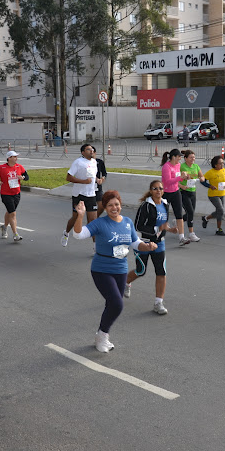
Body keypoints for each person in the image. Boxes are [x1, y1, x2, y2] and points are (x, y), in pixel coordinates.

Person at [71, 191, 159, 352]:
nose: (114, 208)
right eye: (110, 205)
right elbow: (78, 235)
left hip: (121, 269)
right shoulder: (100, 223)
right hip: (101, 269)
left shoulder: (127, 222)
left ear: (121, 205)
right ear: (105, 207)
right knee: (117, 304)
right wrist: (80, 215)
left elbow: (135, 242)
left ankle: (101, 335)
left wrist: (147, 247)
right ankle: (102, 336)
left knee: (111, 303)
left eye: (116, 204)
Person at [124, 180, 178, 315]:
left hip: (159, 242)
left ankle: (158, 303)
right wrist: (156, 229)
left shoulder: (165, 204)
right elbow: (138, 226)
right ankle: (125, 282)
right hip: (143, 242)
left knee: (161, 271)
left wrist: (169, 229)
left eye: (160, 188)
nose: (158, 191)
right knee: (141, 270)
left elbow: (162, 224)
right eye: (155, 188)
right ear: (151, 191)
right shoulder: (146, 206)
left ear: (163, 191)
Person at [61, 143, 99, 247]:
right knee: (75, 218)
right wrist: (84, 182)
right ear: (83, 152)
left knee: (93, 221)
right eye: (88, 149)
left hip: (91, 194)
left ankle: (95, 245)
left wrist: (97, 180)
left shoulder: (94, 162)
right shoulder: (78, 162)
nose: (91, 151)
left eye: (92, 149)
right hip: (79, 195)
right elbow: (68, 177)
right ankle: (66, 233)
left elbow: (92, 176)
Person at [0, 150, 28, 242]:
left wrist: (23, 177)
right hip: (6, 194)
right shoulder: (2, 167)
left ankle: (4, 227)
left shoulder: (19, 166)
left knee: (10, 212)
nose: (16, 158)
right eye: (14, 157)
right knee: (13, 214)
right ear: (9, 158)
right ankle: (15, 234)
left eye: (16, 156)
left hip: (16, 193)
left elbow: (26, 176)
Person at [160, 148, 190, 246]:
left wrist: (185, 176)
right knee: (164, 215)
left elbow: (178, 177)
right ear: (173, 157)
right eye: (178, 157)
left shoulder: (178, 165)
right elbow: (168, 181)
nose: (180, 159)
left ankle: (182, 237)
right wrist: (180, 178)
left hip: (176, 192)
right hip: (166, 193)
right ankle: (161, 235)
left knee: (179, 214)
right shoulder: (166, 167)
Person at [179, 149, 205, 242]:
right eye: (191, 157)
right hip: (183, 191)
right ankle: (191, 234)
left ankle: (179, 220)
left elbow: (202, 176)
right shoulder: (181, 166)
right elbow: (176, 178)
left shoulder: (196, 166)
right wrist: (183, 181)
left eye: (194, 157)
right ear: (185, 158)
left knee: (191, 212)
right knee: (190, 211)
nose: (193, 159)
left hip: (192, 191)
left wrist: (202, 178)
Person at [202, 155, 225, 236]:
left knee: (219, 212)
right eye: (220, 163)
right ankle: (219, 229)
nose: (222, 165)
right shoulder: (210, 172)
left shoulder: (223, 170)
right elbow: (202, 181)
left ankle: (206, 218)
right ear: (215, 165)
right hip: (213, 195)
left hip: (222, 193)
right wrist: (210, 186)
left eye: (223, 163)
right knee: (220, 210)